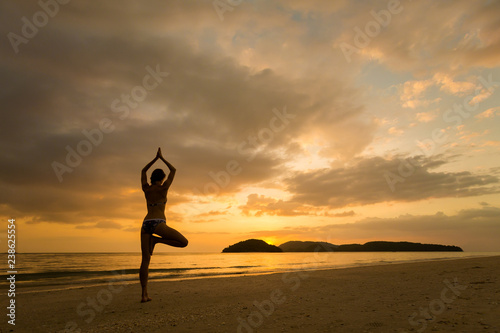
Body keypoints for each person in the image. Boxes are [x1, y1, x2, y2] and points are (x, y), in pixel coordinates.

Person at [139, 147, 188, 303]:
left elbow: (143, 171)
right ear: (162, 178)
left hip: (146, 223)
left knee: (145, 260)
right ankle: (157, 240)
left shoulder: (146, 189)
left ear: (152, 177)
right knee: (184, 242)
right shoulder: (164, 188)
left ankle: (144, 295)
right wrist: (162, 158)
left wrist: (154, 159)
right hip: (158, 223)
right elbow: (173, 170)